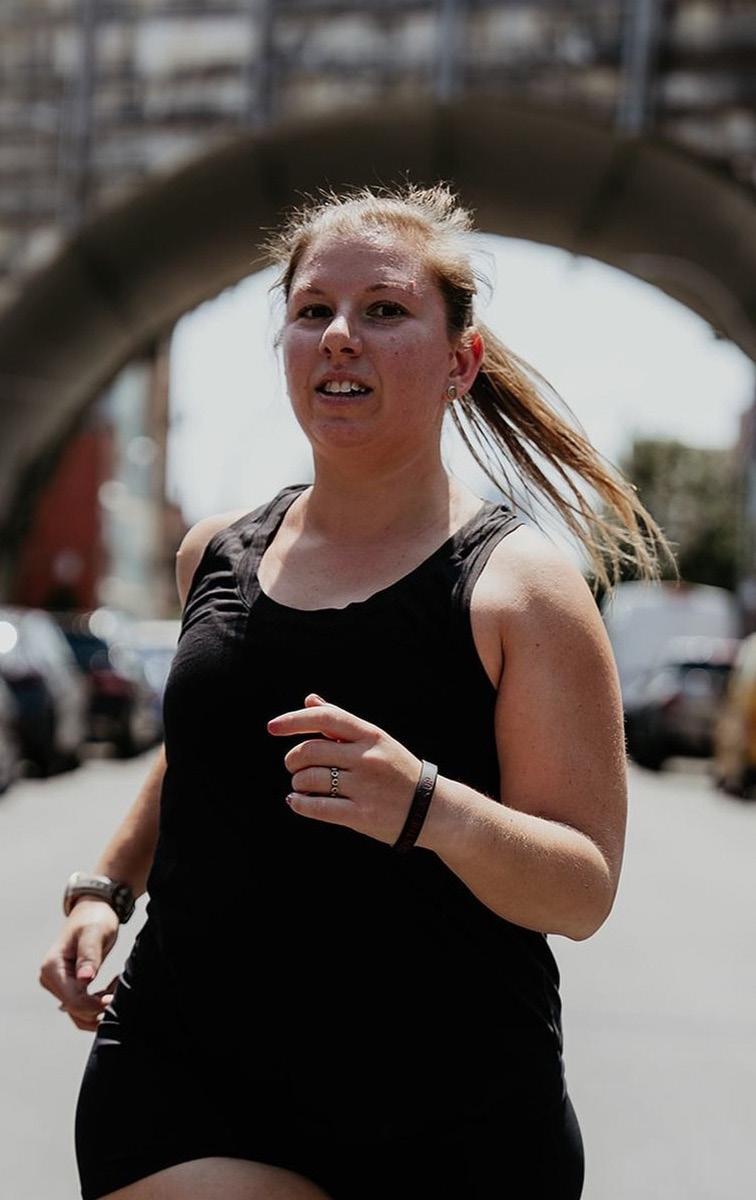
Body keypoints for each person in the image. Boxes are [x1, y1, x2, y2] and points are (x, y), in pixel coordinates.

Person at [40, 182, 674, 1200]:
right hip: (183, 1077)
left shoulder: (522, 592)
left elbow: (582, 889)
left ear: (460, 362)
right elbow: (202, 752)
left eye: (384, 309)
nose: (340, 335)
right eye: (312, 311)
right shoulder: (214, 553)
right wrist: (106, 889)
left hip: (449, 1114)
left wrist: (427, 804)